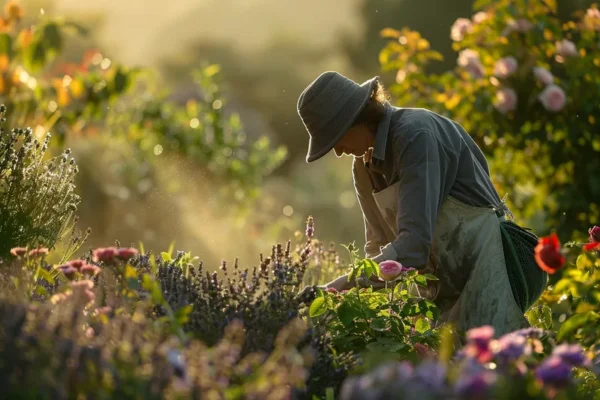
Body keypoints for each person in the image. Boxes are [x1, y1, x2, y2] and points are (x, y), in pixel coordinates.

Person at [296, 71, 548, 335]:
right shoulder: (362, 166)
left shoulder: (416, 135)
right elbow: (377, 245)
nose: (337, 150)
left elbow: (413, 248)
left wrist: (336, 287)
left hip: (486, 266)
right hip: (439, 289)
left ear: (357, 118)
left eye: (336, 139)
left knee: (497, 362)